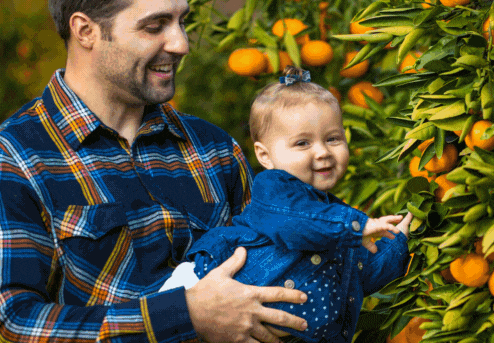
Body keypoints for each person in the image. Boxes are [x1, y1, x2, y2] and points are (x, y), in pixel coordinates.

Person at [0, 0, 310, 342]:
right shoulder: (14, 159)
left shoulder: (214, 150)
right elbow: (6, 323)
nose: (181, 44)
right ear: (85, 31)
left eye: (181, 22)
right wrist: (183, 315)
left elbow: (272, 269)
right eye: (155, 26)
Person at [160, 70, 413, 343]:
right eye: (302, 143)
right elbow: (296, 223)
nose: (323, 152)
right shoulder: (273, 190)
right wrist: (356, 226)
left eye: (333, 138)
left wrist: (399, 241)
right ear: (265, 156)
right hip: (201, 283)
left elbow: (366, 274)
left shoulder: (336, 220)